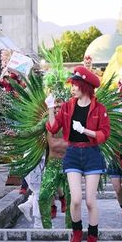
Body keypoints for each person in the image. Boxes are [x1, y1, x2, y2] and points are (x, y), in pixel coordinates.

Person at [45, 66, 110, 242]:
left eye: (75, 85)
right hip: (73, 153)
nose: (72, 88)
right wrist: (50, 107)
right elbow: (53, 127)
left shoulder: (99, 108)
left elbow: (104, 134)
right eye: (71, 85)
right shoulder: (67, 107)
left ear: (85, 86)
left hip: (91, 154)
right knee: (75, 200)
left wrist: (85, 131)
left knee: (90, 201)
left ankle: (92, 238)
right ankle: (76, 232)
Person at [38, 98, 71, 229]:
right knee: (43, 195)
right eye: (55, 107)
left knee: (72, 199)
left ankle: (70, 229)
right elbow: (31, 131)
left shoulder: (73, 122)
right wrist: (16, 134)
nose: (57, 109)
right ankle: (47, 229)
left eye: (60, 107)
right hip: (52, 164)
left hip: (70, 166)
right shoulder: (46, 123)